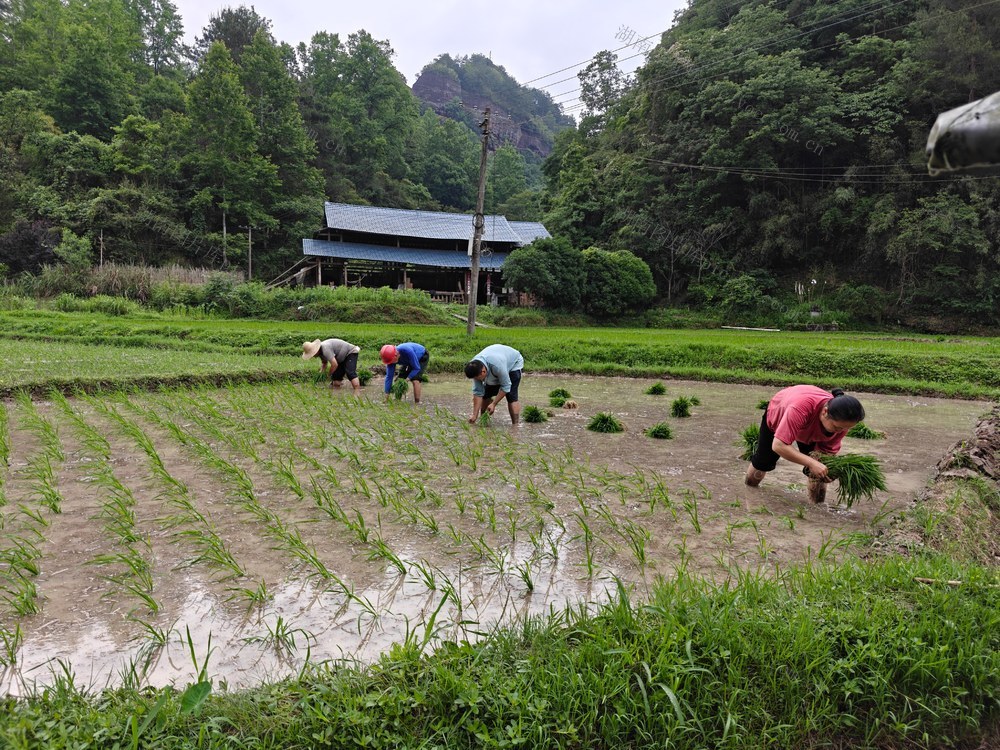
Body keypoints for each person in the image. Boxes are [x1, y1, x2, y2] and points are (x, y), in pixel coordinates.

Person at [745, 385, 865, 503]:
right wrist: (811, 463)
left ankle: (817, 507)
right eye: (837, 427)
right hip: (781, 412)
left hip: (811, 427)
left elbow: (824, 457)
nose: (841, 432)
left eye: (846, 428)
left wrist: (827, 470)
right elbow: (779, 445)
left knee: (819, 472)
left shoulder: (841, 425)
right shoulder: (800, 408)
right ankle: (749, 494)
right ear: (825, 412)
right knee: (762, 462)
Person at [464, 344, 524, 425]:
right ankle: (484, 421)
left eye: (478, 378)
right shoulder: (474, 368)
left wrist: (494, 403)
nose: (477, 380)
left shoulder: (497, 366)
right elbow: (478, 392)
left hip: (514, 363)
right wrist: (474, 415)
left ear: (483, 372)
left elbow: (506, 386)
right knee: (486, 394)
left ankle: (515, 425)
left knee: (511, 395)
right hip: (496, 360)